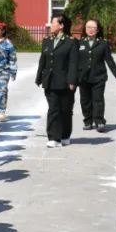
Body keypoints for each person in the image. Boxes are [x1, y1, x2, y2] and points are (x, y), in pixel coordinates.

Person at [35, 14, 79, 148]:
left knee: (65, 109)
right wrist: (39, 77)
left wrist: (72, 80)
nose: (50, 25)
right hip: (49, 80)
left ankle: (65, 135)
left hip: (65, 81)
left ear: (61, 25)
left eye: (52, 23)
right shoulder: (47, 41)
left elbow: (73, 63)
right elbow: (43, 60)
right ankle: (53, 137)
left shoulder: (71, 42)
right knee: (53, 108)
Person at [76, 19, 116, 134]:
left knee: (98, 100)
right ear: (85, 29)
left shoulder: (103, 43)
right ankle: (87, 121)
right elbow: (74, 61)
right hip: (83, 78)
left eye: (93, 28)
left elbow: (109, 60)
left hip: (98, 77)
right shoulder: (79, 43)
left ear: (97, 30)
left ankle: (99, 121)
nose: (90, 30)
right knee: (85, 101)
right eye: (88, 27)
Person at [0, 22, 18, 123]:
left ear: (2, 31)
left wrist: (13, 71)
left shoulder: (8, 43)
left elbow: (12, 58)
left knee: (2, 90)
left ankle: (1, 111)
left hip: (3, 71)